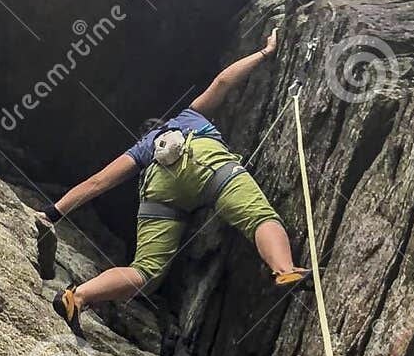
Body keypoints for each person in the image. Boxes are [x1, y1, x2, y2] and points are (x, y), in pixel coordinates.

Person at [40, 30, 310, 336]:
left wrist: (51, 213)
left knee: (145, 271)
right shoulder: (189, 117)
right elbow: (223, 82)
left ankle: (78, 296)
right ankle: (285, 271)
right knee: (259, 217)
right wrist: (265, 52)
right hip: (204, 162)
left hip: (160, 190)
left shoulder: (141, 151)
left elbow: (97, 183)